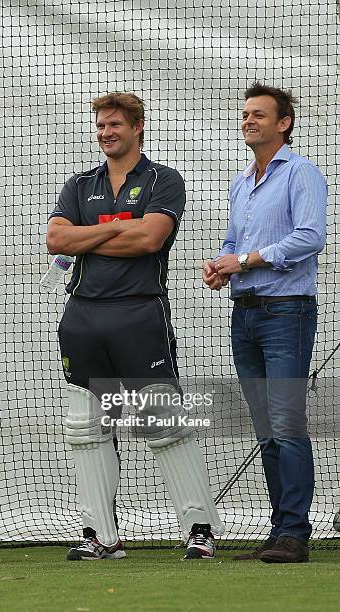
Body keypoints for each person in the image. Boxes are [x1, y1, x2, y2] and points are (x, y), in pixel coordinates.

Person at [47, 93, 224, 560]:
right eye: (101, 126)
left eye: (115, 125)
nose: (106, 133)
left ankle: (199, 529)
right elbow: (56, 239)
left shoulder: (164, 180)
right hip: (82, 317)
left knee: (162, 423)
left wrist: (91, 235)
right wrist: (116, 227)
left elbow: (149, 239)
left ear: (138, 126)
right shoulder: (80, 184)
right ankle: (99, 536)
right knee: (85, 427)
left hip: (139, 314)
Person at [203, 82, 327, 563]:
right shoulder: (242, 181)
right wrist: (220, 264)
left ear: (284, 123)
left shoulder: (301, 174)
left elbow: (310, 237)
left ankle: (295, 531)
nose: (248, 120)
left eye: (259, 114)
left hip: (286, 311)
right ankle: (280, 530)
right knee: (264, 426)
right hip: (247, 314)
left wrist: (249, 260)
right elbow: (233, 240)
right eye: (246, 114)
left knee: (286, 421)